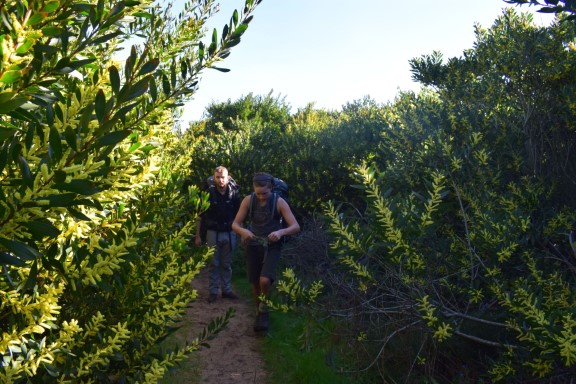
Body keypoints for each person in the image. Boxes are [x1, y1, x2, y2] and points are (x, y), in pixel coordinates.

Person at [232, 172, 300, 331]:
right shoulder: (248, 200)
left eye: (265, 193)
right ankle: (260, 313)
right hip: (253, 244)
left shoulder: (279, 202)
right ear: (254, 190)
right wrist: (243, 232)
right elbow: (235, 223)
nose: (262, 197)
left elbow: (295, 226)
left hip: (272, 245)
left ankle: (265, 309)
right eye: (259, 193)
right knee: (255, 282)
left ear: (271, 189)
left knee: (264, 280)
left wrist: (280, 233)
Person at [195, 166, 241, 303]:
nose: (221, 180)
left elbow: (240, 215)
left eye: (223, 177)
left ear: (228, 177)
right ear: (214, 178)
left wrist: (241, 233)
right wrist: (197, 235)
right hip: (213, 232)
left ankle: (226, 290)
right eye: (218, 177)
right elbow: (199, 215)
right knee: (213, 263)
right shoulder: (208, 193)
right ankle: (213, 291)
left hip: (229, 231)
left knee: (227, 263)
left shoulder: (233, 192)